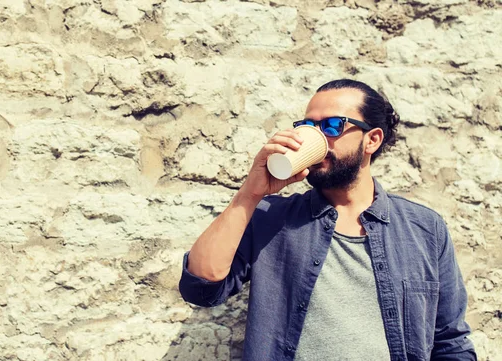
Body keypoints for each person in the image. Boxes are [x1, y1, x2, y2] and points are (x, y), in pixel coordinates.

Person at [178, 79, 476, 361]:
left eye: (331, 125)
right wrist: (249, 194)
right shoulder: (271, 217)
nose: (317, 136)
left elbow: (450, 341)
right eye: (308, 125)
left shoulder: (423, 228)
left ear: (372, 140)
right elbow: (200, 288)